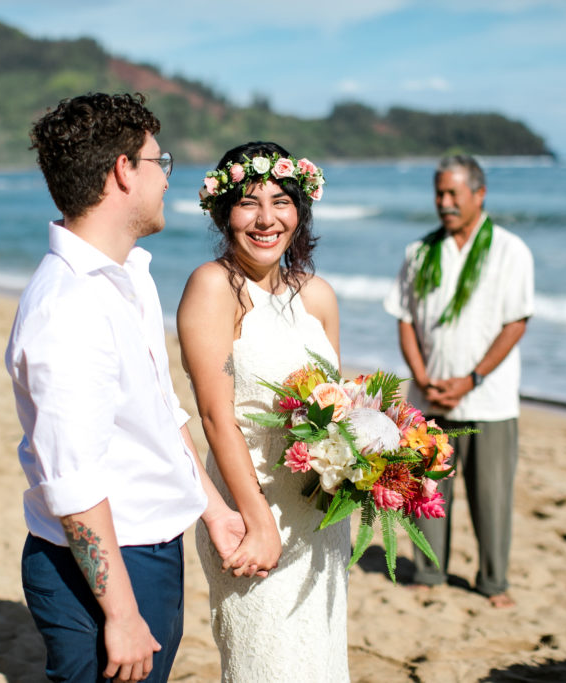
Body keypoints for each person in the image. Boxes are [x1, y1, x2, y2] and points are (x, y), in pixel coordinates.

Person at [5, 93, 247, 683]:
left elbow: (161, 413)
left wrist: (212, 508)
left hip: (150, 547)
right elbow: (73, 479)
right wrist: (120, 612)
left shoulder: (128, 276)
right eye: (158, 163)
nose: (167, 180)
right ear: (122, 170)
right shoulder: (70, 308)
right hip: (101, 567)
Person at [177, 142, 349, 681]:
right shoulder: (214, 287)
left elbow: (338, 407)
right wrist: (257, 521)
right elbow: (213, 415)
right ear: (223, 212)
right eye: (249, 203)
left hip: (318, 518)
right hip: (253, 511)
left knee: (318, 663)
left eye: (282, 201)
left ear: (301, 209)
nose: (267, 219)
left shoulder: (318, 296)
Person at [382, 154, 534, 609]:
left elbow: (515, 323)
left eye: (453, 194)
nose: (444, 202)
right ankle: (428, 572)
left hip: (490, 400)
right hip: (428, 398)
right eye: (439, 193)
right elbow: (406, 319)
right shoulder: (419, 251)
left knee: (491, 497)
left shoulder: (510, 250)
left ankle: (493, 582)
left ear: (479, 194)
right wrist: (423, 376)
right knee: (426, 493)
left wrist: (472, 379)